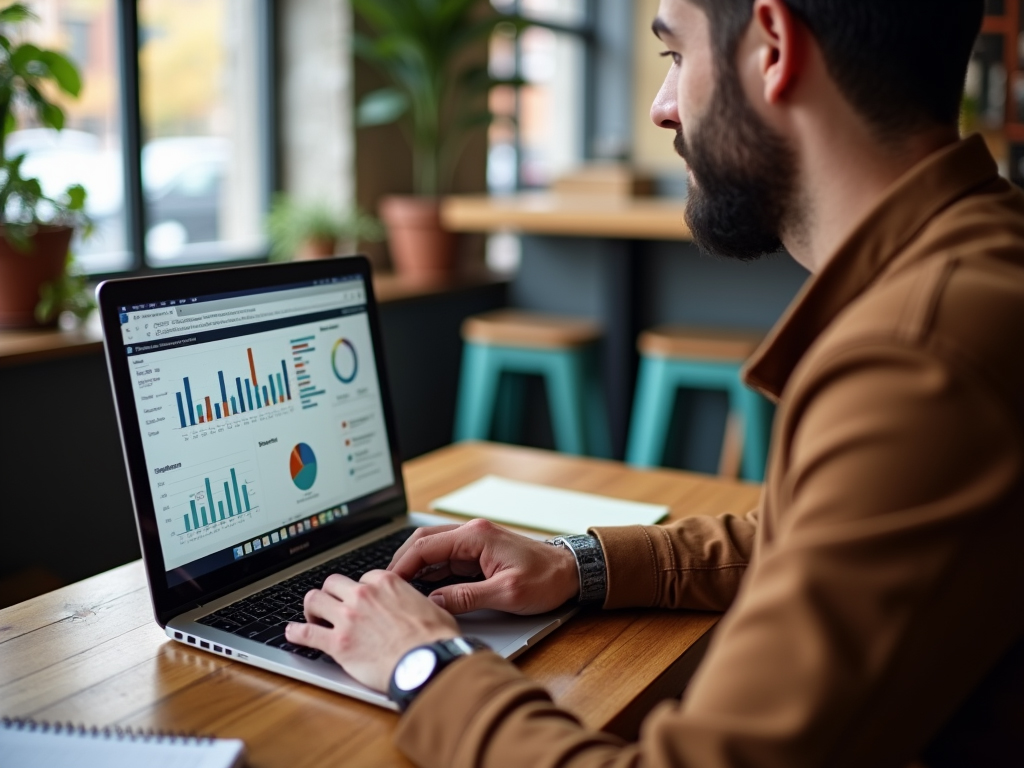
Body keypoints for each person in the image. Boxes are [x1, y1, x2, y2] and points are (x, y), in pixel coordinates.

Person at [285, 0, 1024, 765]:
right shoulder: (980, 262)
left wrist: (426, 667)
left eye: (675, 57)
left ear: (772, 48)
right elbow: (811, 536)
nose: (660, 108)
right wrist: (579, 564)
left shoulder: (920, 358)